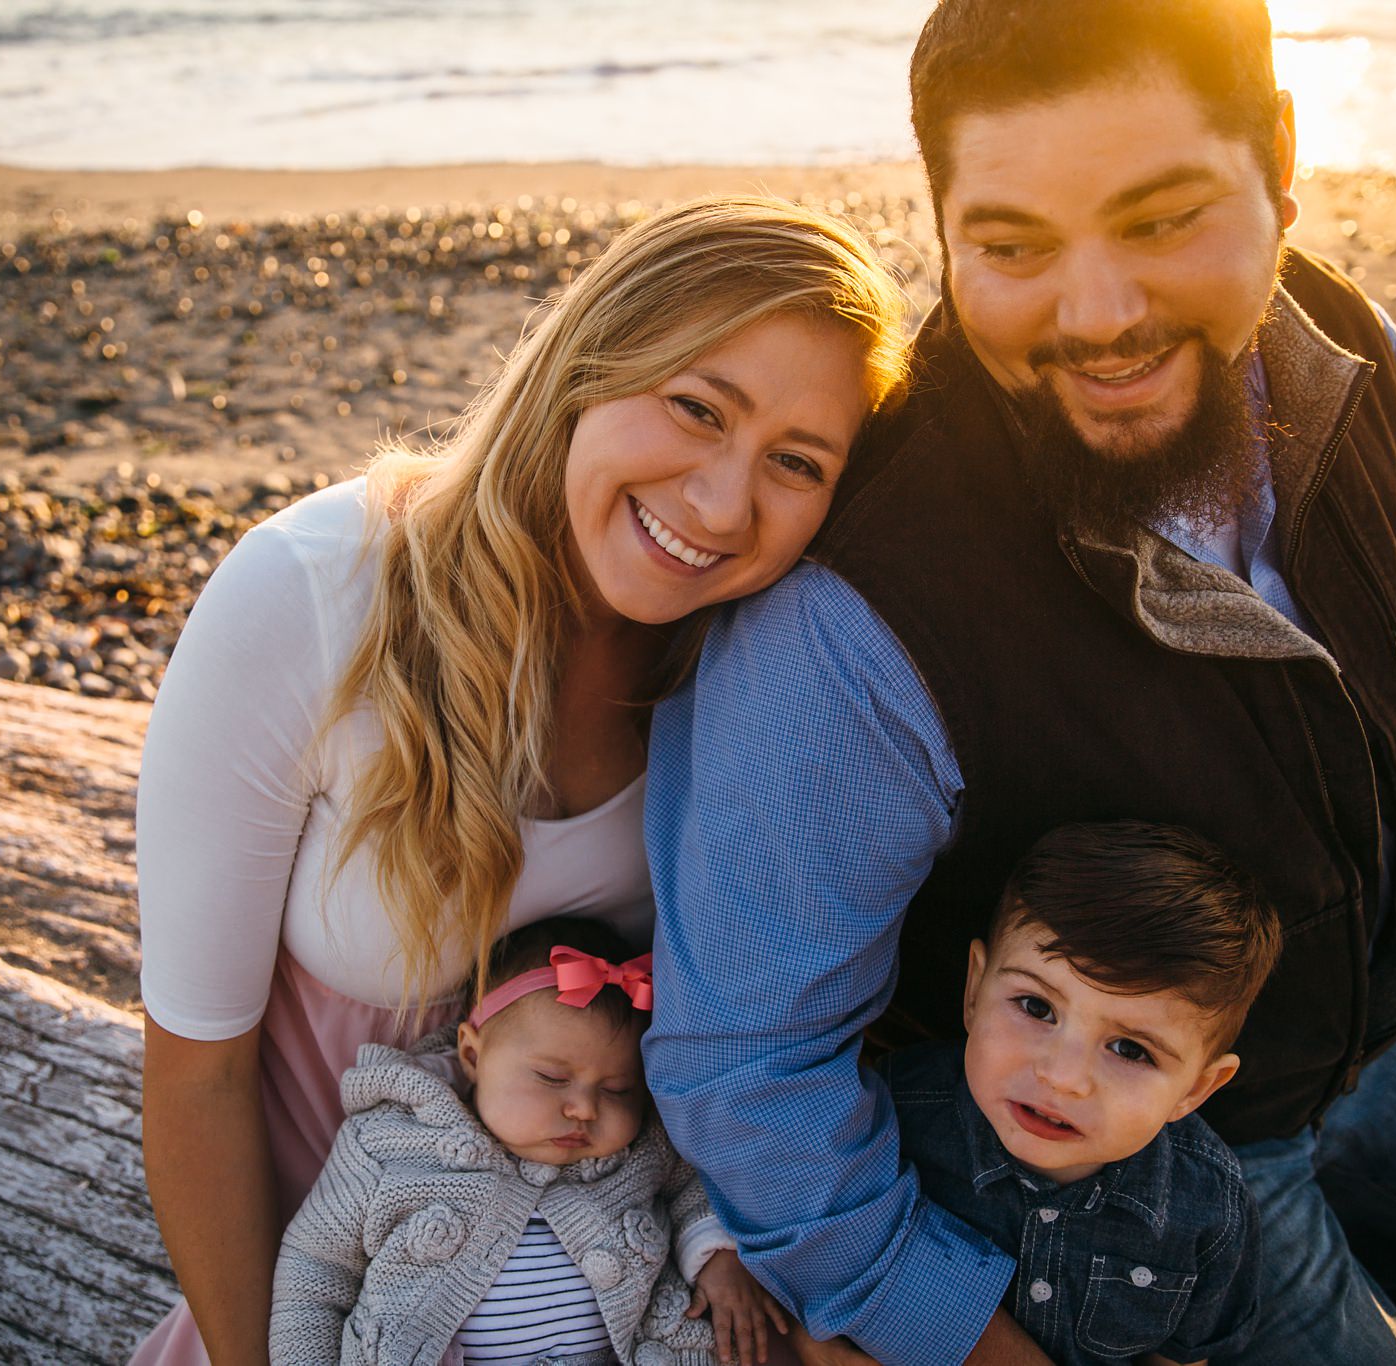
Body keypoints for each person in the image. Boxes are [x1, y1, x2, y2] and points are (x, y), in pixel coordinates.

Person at [642, 3, 1396, 1363]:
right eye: (1011, 245)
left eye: (1164, 219)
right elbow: (747, 1067)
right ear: (941, 223)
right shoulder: (862, 613)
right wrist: (947, 1325)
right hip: (1135, 1143)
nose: (1099, 316)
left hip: (1353, 1004)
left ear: (1282, 161)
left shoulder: (1355, 354)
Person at [132, 195, 910, 1366]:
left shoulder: (751, 678)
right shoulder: (309, 595)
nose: (718, 503)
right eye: (696, 408)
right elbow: (196, 1074)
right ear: (585, 363)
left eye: (793, 464)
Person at [270, 918, 785, 1366]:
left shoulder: (641, 1152)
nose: (584, 1108)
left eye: (617, 1089)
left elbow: (695, 1188)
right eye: (551, 1078)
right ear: (472, 1055)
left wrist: (717, 1256)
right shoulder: (392, 1141)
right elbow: (314, 1271)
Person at [883, 822, 1280, 1366]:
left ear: (1196, 1088)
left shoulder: (1209, 1210)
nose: (1064, 1077)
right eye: (1036, 1007)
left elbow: (1180, 1358)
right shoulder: (886, 1116)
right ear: (975, 990)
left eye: (1131, 1049)